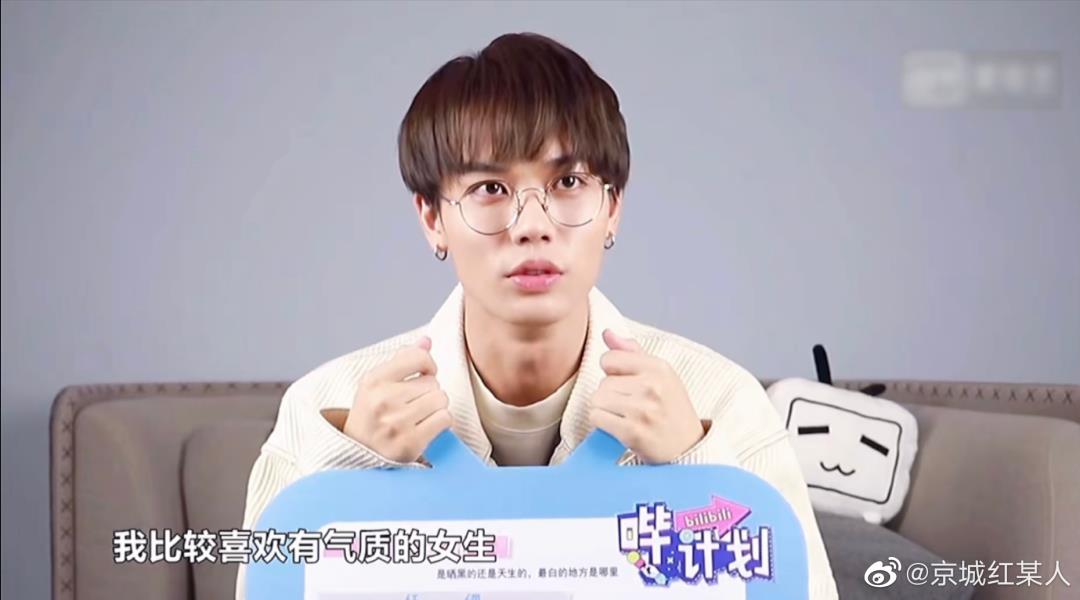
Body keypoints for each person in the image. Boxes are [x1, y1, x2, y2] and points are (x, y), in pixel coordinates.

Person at [237, 31, 838, 599]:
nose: (532, 225)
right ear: (431, 217)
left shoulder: (720, 403)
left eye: (569, 181)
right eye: (489, 189)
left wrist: (695, 472)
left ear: (612, 208)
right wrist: (349, 479)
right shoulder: (328, 410)